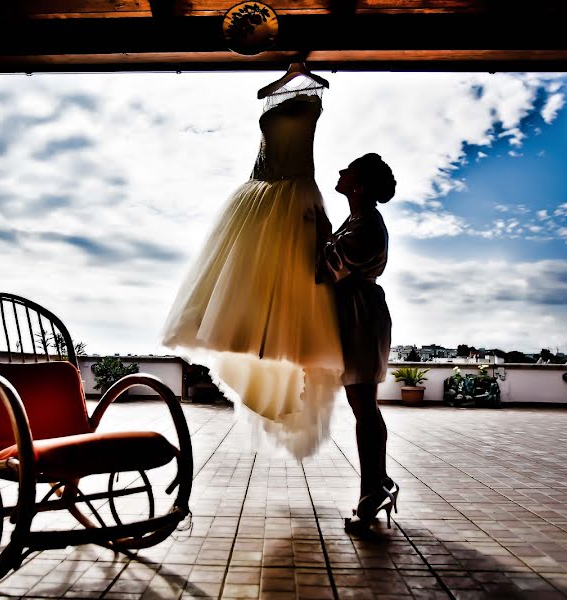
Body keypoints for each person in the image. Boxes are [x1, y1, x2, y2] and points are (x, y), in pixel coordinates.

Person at [162, 67, 344, 459]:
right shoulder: (269, 96)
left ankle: (283, 384)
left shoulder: (315, 92)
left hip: (294, 191)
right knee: (246, 290)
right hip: (258, 191)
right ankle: (263, 376)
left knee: (288, 292)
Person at [315, 152, 399, 533]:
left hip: (361, 318)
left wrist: (313, 233)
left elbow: (325, 269)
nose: (339, 171)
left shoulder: (366, 227)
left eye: (346, 170)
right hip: (354, 315)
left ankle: (373, 492)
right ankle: (377, 484)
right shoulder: (358, 220)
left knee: (364, 405)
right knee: (361, 404)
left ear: (359, 185)